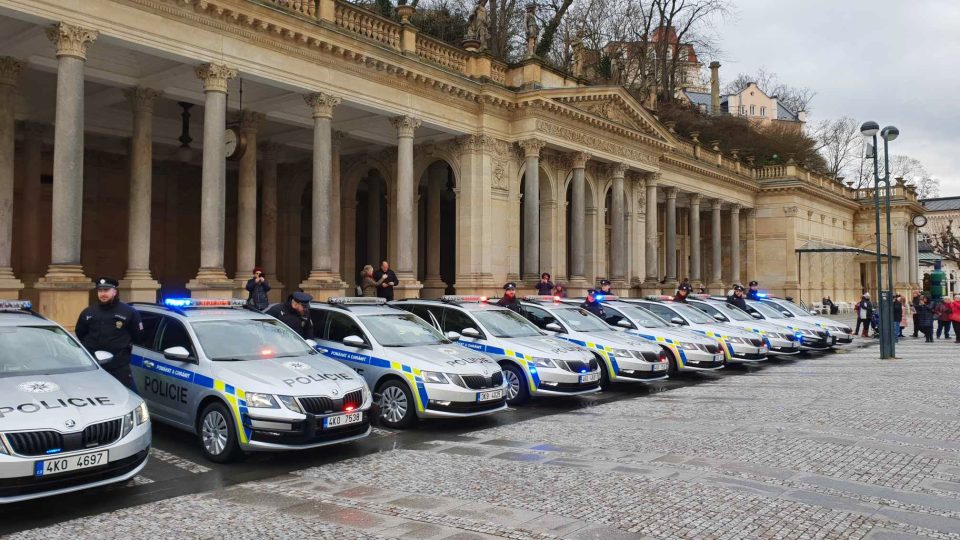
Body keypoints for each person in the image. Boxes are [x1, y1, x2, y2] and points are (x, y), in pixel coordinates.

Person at [75, 277, 143, 391]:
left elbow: (138, 336)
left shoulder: (129, 312)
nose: (102, 294)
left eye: (106, 290)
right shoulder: (89, 312)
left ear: (114, 292)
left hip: (118, 366)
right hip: (94, 366)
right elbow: (80, 332)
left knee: (127, 396)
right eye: (100, 291)